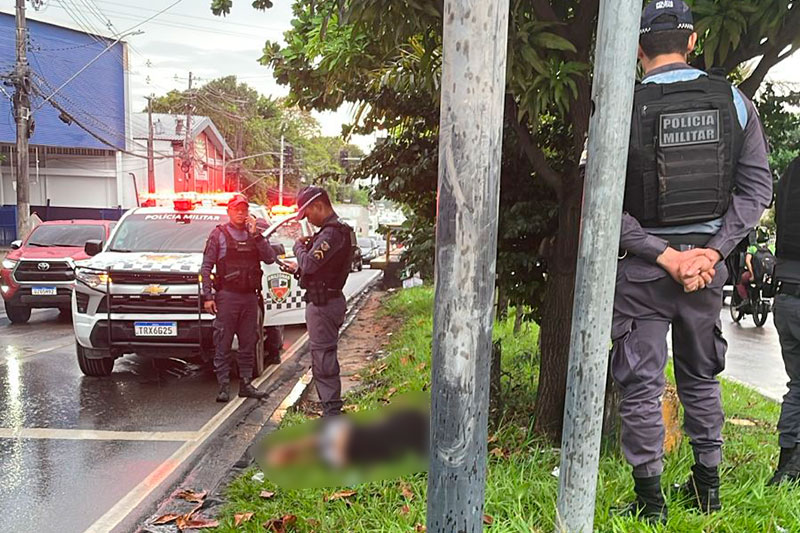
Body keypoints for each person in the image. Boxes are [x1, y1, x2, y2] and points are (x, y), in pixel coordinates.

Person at [612, 0, 772, 523]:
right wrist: (712, 251)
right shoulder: (735, 102)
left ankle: (651, 505)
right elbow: (756, 189)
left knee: (641, 384)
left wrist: (665, 255)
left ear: (636, 47)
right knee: (702, 379)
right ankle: (708, 492)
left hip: (642, 270)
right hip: (705, 274)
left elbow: (602, 207)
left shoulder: (619, 107)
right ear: (693, 41)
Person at [282, 186, 356, 417]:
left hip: (324, 305)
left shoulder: (331, 233)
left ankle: (332, 412)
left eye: (308, 214)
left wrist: (298, 248)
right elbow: (318, 270)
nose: (309, 220)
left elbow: (312, 264)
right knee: (323, 355)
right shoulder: (335, 231)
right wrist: (299, 269)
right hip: (326, 299)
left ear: (318, 206)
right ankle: (331, 409)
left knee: (322, 357)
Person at [201, 194, 278, 403]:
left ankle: (245, 384)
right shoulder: (219, 235)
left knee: (249, 342)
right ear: (229, 211)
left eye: (244, 209)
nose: (241, 213)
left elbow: (270, 257)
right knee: (223, 343)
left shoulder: (255, 235)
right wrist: (208, 296)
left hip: (249, 299)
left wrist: (256, 235)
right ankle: (224, 386)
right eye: (236, 209)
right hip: (227, 297)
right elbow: (206, 267)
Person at [769, 155, 800, 485]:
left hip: (785, 295)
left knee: (798, 384)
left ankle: (785, 466)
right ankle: (793, 469)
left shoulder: (791, 170)